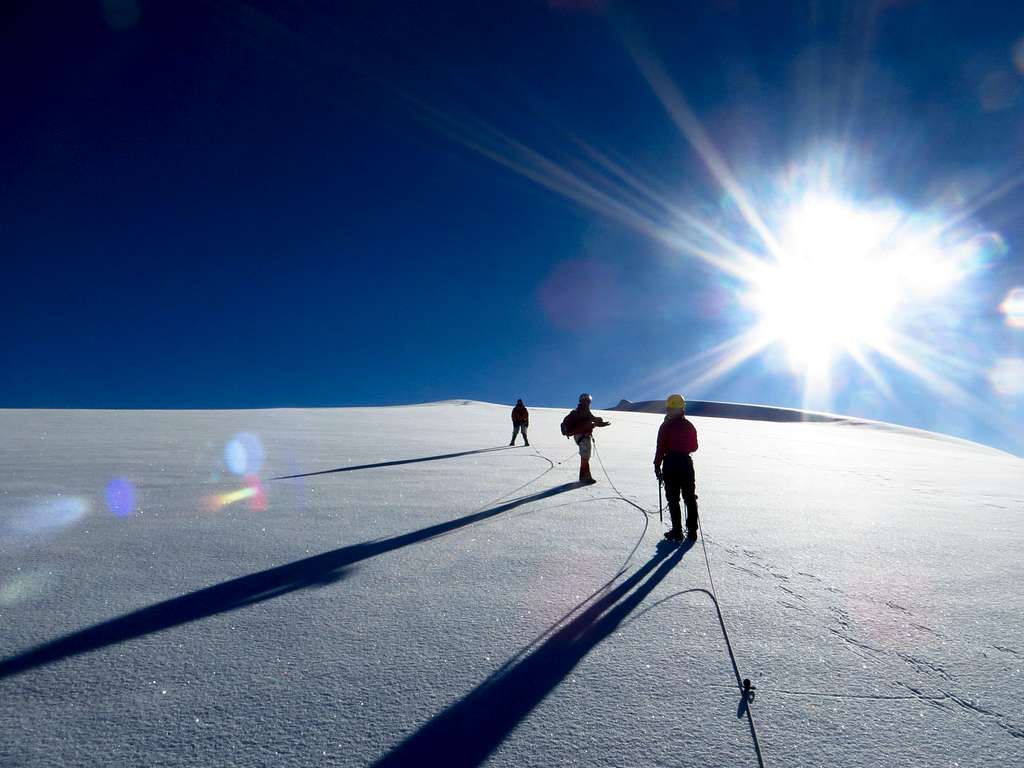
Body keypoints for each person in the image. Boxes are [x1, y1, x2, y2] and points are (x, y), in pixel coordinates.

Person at [654, 393, 699, 542]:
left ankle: (677, 532)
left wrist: (657, 465)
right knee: (689, 497)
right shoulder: (689, 425)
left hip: (671, 463)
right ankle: (692, 531)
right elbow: (694, 447)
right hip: (686, 462)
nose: (667, 411)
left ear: (671, 409)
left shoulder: (666, 426)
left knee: (673, 498)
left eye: (668, 408)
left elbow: (661, 447)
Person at [560, 393, 610, 483]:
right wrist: (596, 424)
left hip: (582, 436)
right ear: (585, 401)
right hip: (582, 436)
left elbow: (591, 419)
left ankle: (585, 476)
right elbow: (586, 424)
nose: (589, 403)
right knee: (585, 456)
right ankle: (585, 477)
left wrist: (599, 423)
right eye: (588, 401)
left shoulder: (583, 410)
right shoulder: (582, 410)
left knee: (585, 456)